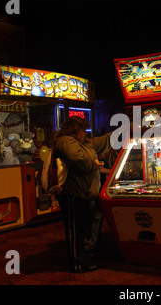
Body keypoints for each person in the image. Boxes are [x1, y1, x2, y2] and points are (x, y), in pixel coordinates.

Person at [52, 116, 111, 273]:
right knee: (74, 230)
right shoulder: (65, 141)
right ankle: (76, 263)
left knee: (81, 228)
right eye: (82, 130)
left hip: (81, 193)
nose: (85, 133)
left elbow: (100, 143)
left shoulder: (80, 142)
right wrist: (94, 164)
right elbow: (77, 158)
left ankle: (82, 256)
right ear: (74, 130)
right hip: (71, 193)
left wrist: (121, 132)